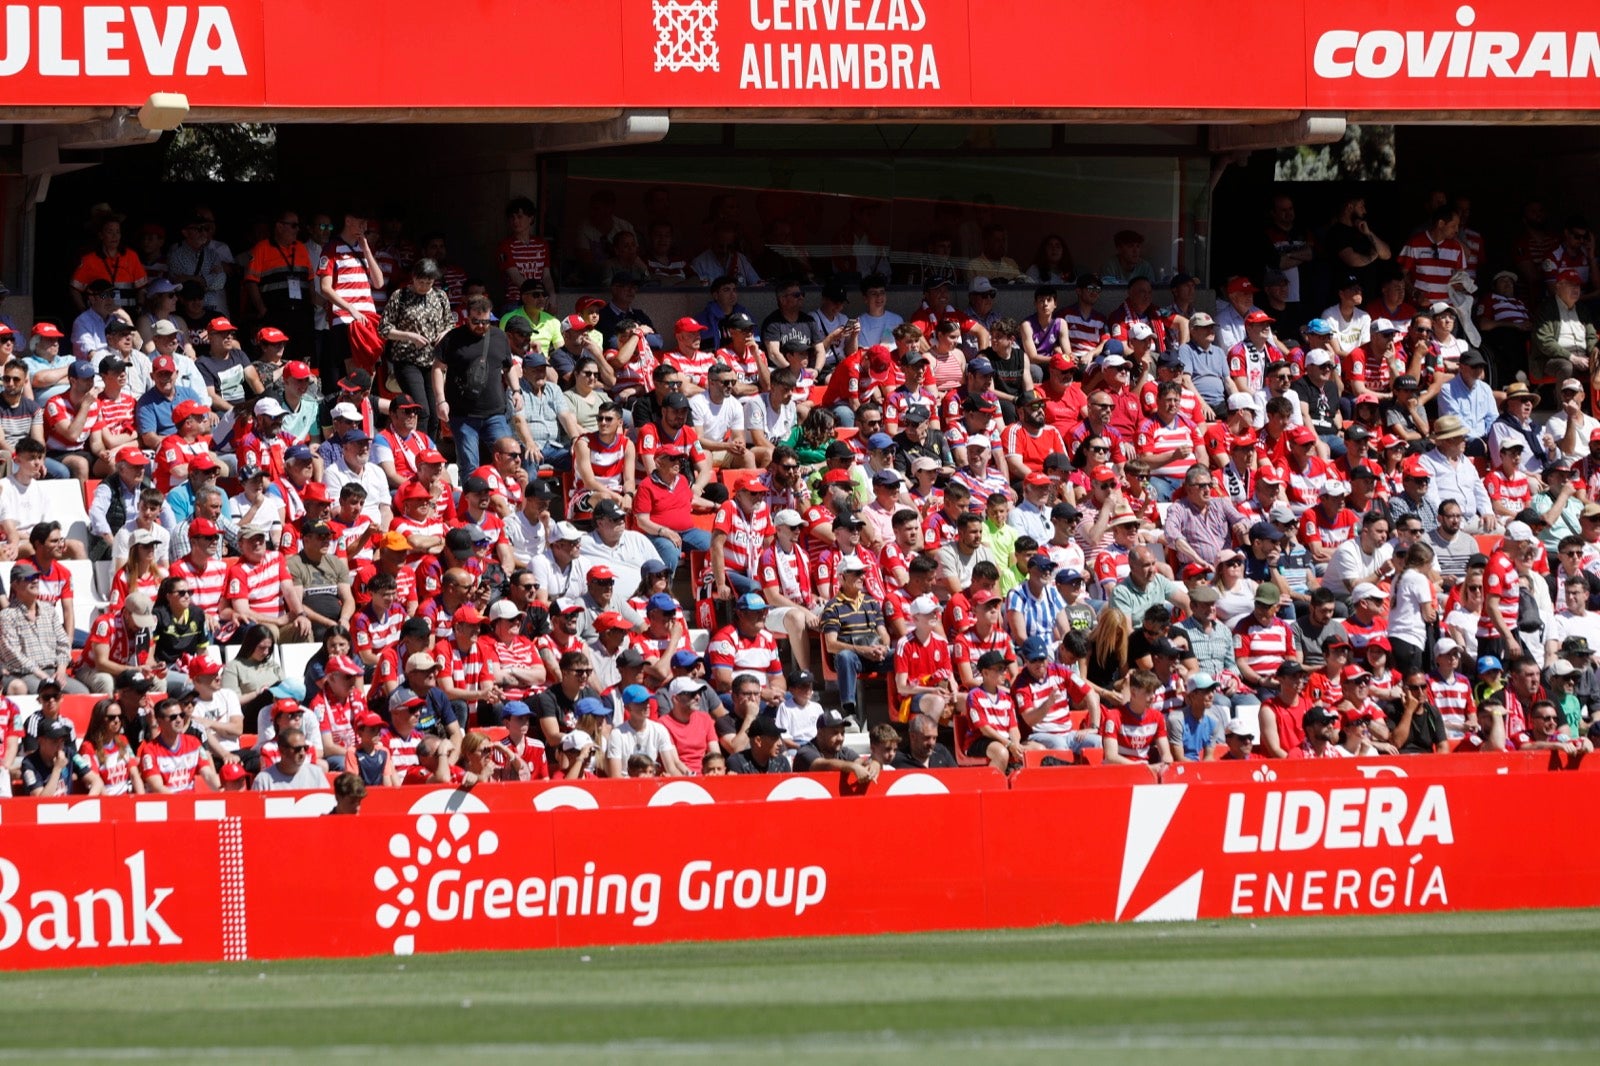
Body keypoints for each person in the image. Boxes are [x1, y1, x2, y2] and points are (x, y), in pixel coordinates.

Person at [433, 295, 513, 476]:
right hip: (464, 415)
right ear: (467, 317)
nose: (482, 326)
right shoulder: (453, 338)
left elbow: (508, 368)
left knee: (508, 456)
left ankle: (507, 497)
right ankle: (472, 501)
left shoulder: (499, 336)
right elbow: (438, 368)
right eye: (476, 321)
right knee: (470, 465)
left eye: (486, 321)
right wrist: (440, 400)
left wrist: (516, 391)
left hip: (495, 413)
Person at [252, 726, 331, 791]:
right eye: (297, 749)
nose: (302, 753)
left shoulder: (316, 773)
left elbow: (327, 804)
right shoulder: (263, 780)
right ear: (282, 750)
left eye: (305, 748)